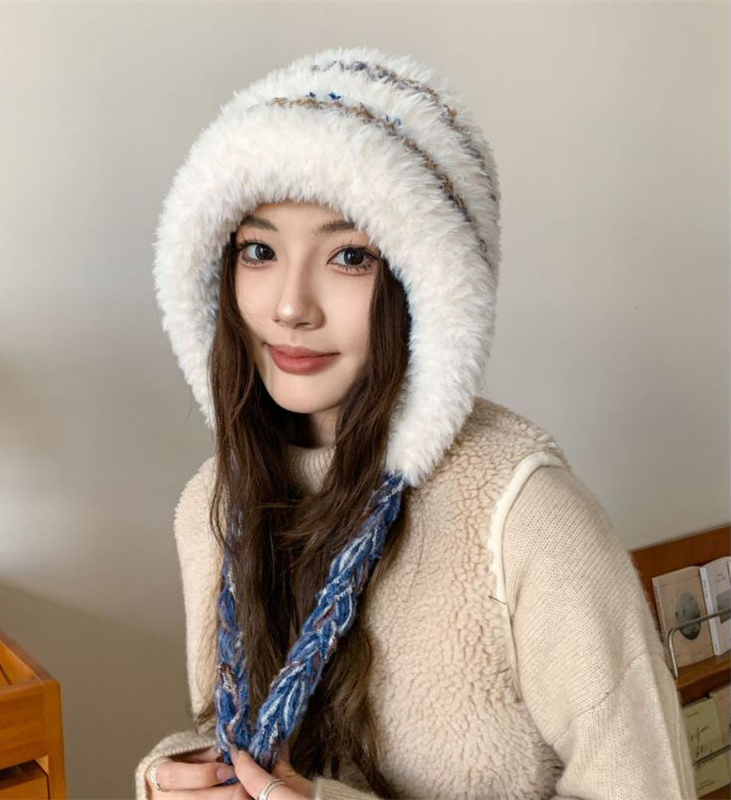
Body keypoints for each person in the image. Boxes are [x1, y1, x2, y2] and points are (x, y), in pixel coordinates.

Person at [135, 46, 697, 800]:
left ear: (428, 285)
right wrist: (176, 777)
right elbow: (247, 741)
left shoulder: (525, 515)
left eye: (350, 256)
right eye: (259, 250)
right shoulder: (215, 505)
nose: (290, 306)